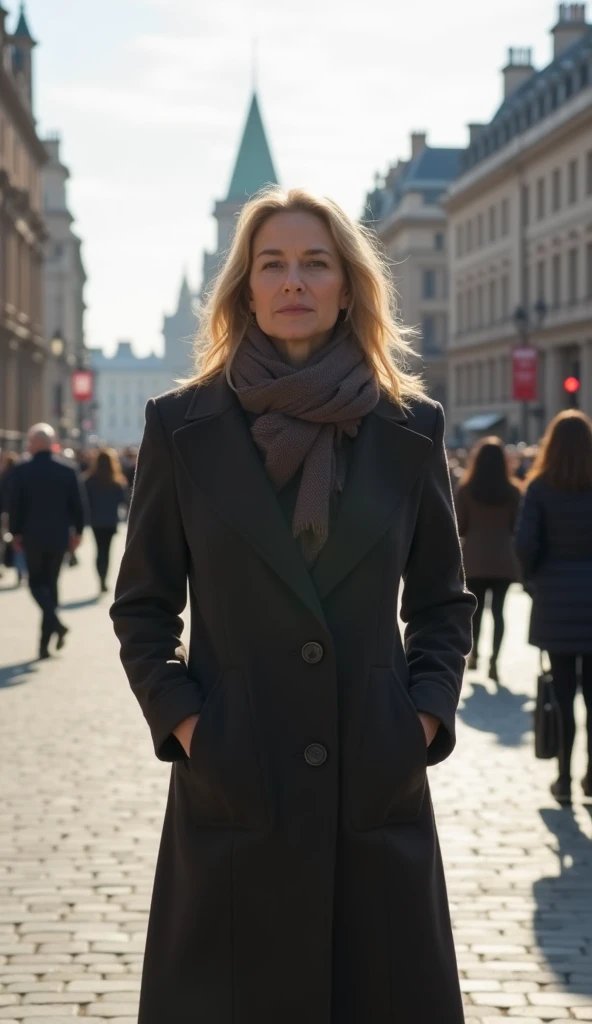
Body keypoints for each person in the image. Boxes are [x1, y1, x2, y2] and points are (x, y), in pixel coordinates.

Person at [110, 186, 475, 1024]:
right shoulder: (182, 425)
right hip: (239, 784)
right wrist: (196, 728)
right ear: (243, 287)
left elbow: (443, 604)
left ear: (349, 285)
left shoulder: (409, 426)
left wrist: (415, 721)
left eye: (316, 262)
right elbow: (143, 608)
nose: (294, 281)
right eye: (271, 263)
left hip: (370, 781)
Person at [515, 410, 592, 804]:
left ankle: (563, 777)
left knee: (561, 693)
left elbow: (526, 545)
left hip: (556, 599)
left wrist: (534, 581)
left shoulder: (541, 487)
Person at [8, 423, 86, 659]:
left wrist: (15, 533)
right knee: (51, 586)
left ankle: (54, 628)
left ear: (34, 444)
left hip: (32, 536)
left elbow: (15, 506)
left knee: (34, 584)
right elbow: (79, 505)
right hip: (59, 536)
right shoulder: (68, 469)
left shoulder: (22, 470)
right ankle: (45, 643)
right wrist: (79, 533)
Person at [455, 436, 522, 682]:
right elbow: (517, 524)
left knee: (476, 611)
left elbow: (460, 526)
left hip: (474, 559)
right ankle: (495, 661)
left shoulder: (466, 489)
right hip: (503, 558)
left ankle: (474, 656)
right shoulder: (513, 491)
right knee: (499, 612)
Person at [83, 448, 128, 593]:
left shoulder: (89, 480)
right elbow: (124, 501)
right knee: (107, 550)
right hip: (110, 521)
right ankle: (104, 578)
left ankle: (101, 577)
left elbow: (84, 501)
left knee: (99, 550)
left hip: (96, 521)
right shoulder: (116, 481)